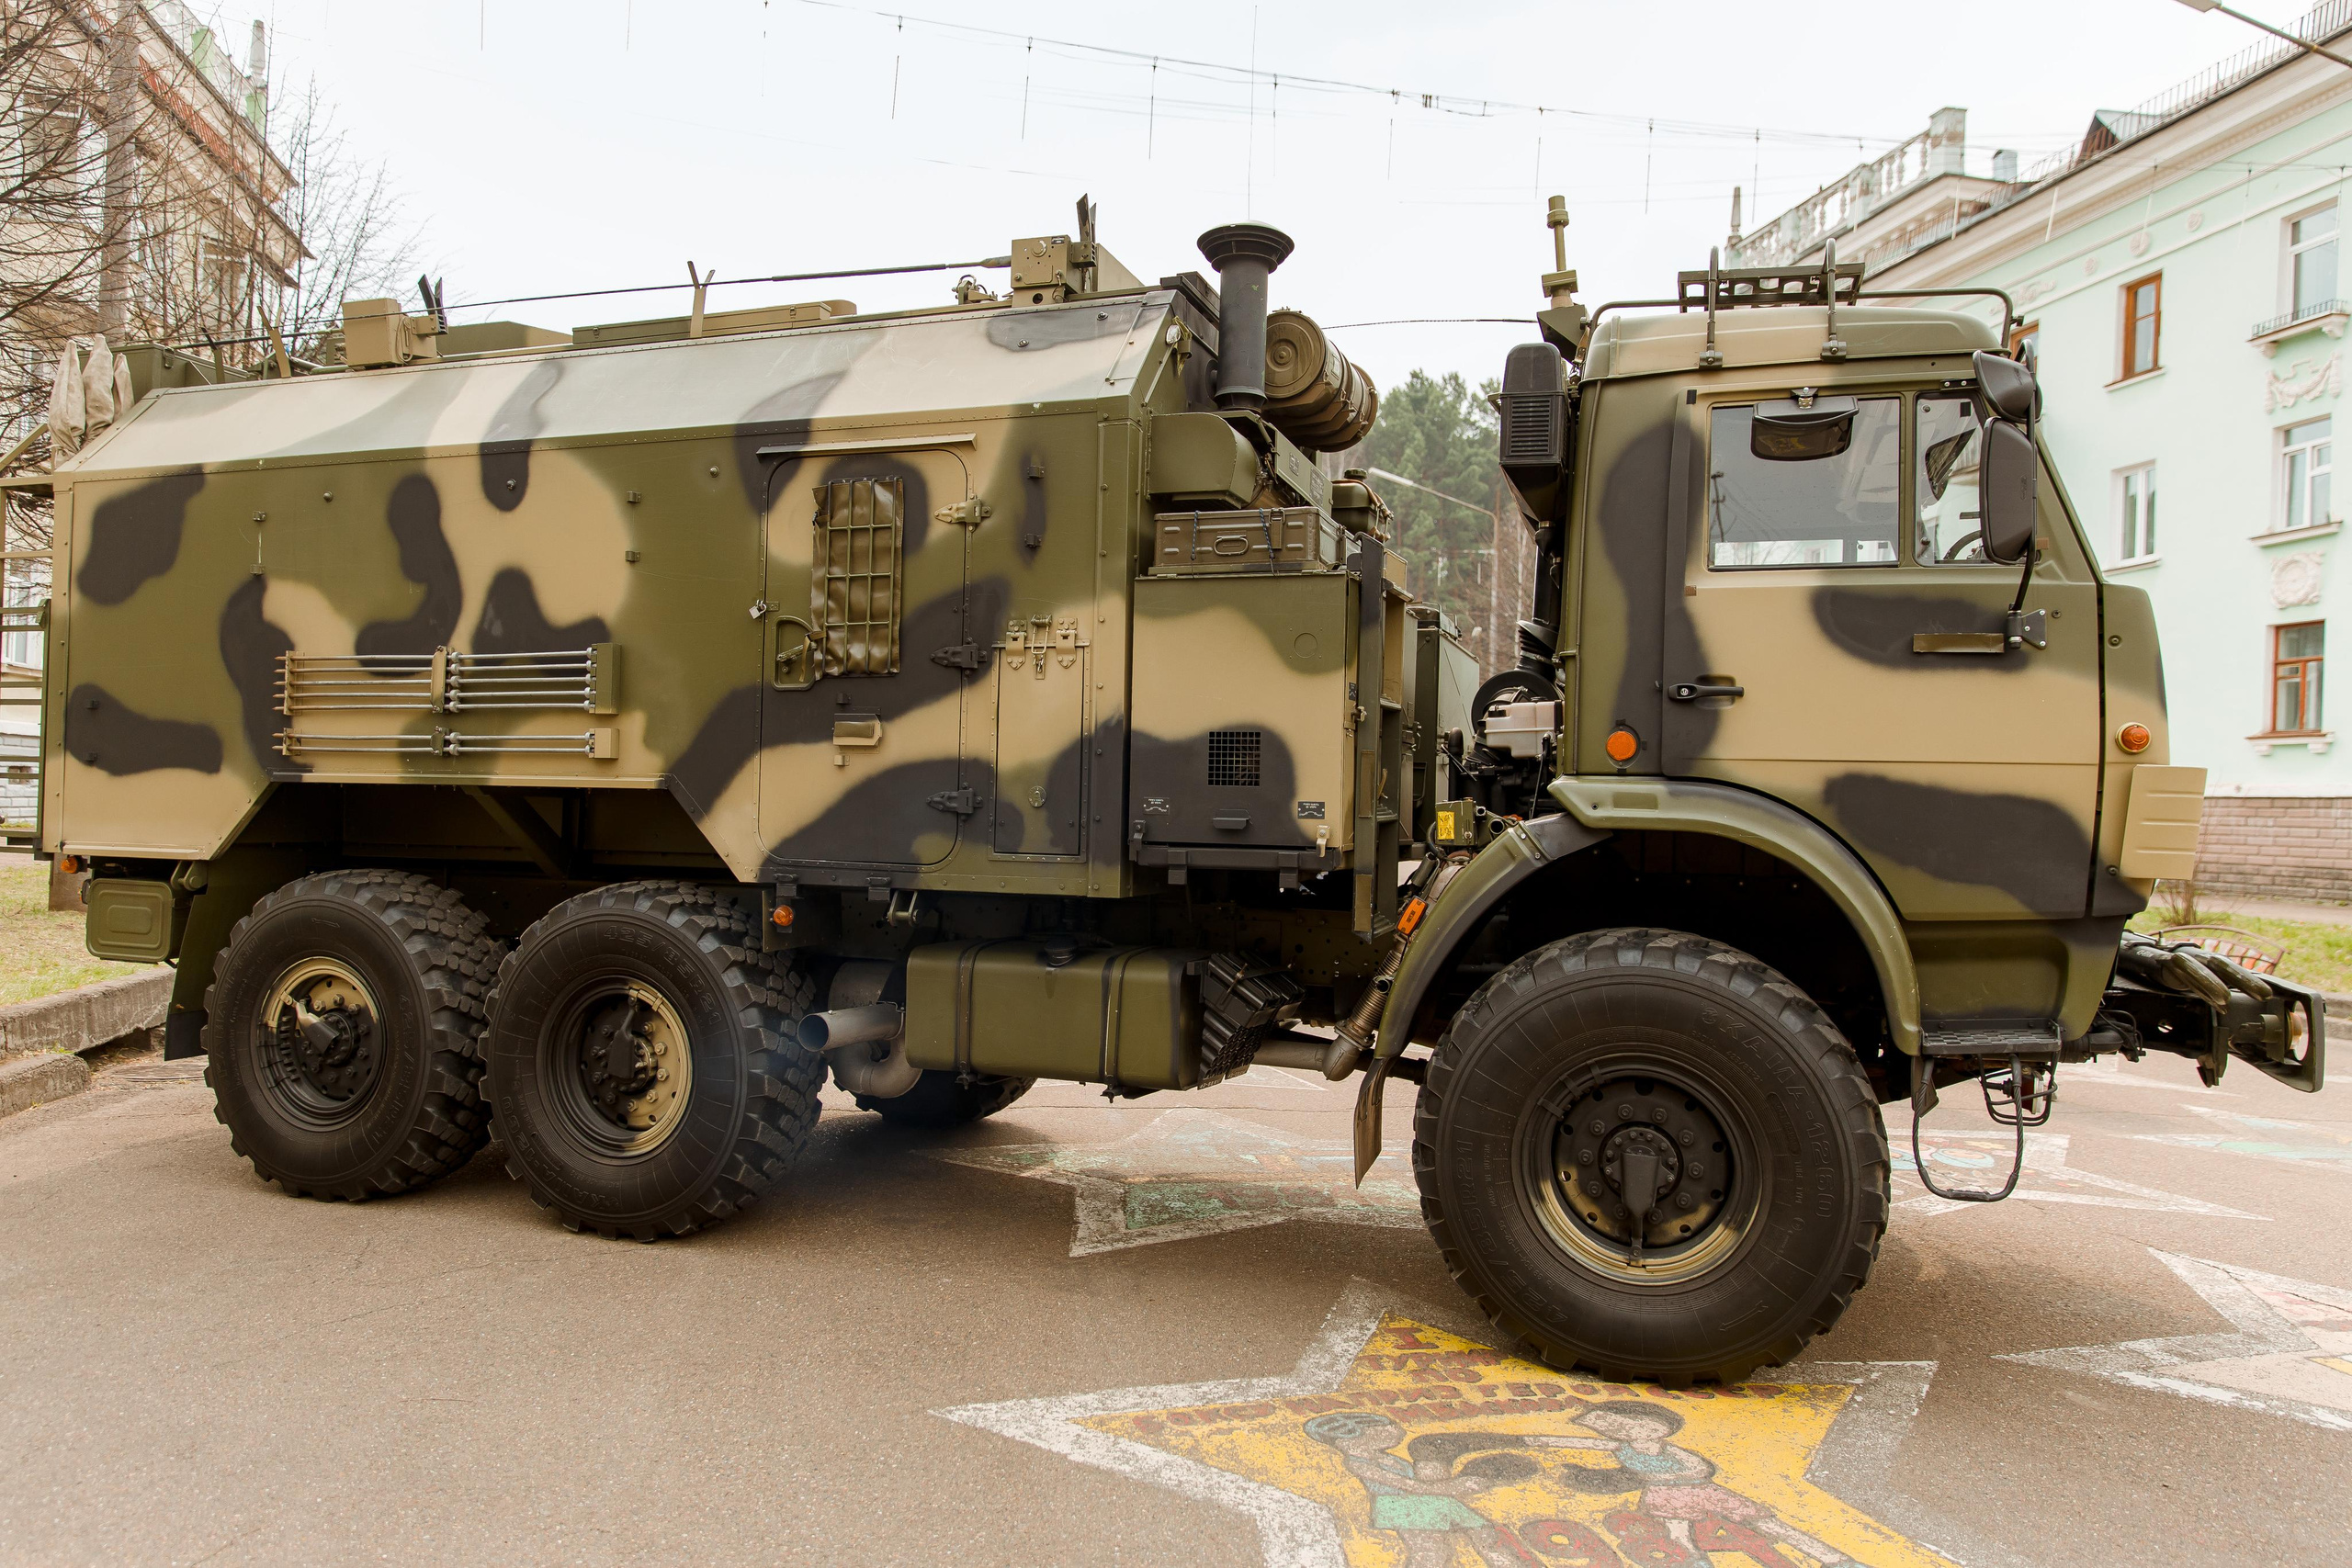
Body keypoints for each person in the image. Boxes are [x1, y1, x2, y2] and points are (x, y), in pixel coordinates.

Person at [1548, 1401, 1856, 1567]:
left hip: (1703, 1489)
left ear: (1661, 1427)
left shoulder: (1669, 1449)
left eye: (1641, 1424)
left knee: (1767, 1523)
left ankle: (1835, 1560)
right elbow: (1576, 1442)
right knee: (1679, 1534)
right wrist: (1527, 1440)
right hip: (1665, 1496)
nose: (1633, 1431)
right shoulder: (1620, 1447)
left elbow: (1701, 1466)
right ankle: (1696, 1563)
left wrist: (1667, 1477)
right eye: (1619, 1427)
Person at [1305, 1409, 1555, 1568]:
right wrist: (1453, 1487)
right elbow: (1409, 1486)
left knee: (1440, 1552)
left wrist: (1449, 1486)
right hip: (1398, 1507)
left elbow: (1416, 1485)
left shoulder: (1386, 1458)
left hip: (1419, 1504)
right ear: (1353, 1440)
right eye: (1382, 1431)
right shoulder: (1358, 1463)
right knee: (1436, 1553)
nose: (1396, 1433)